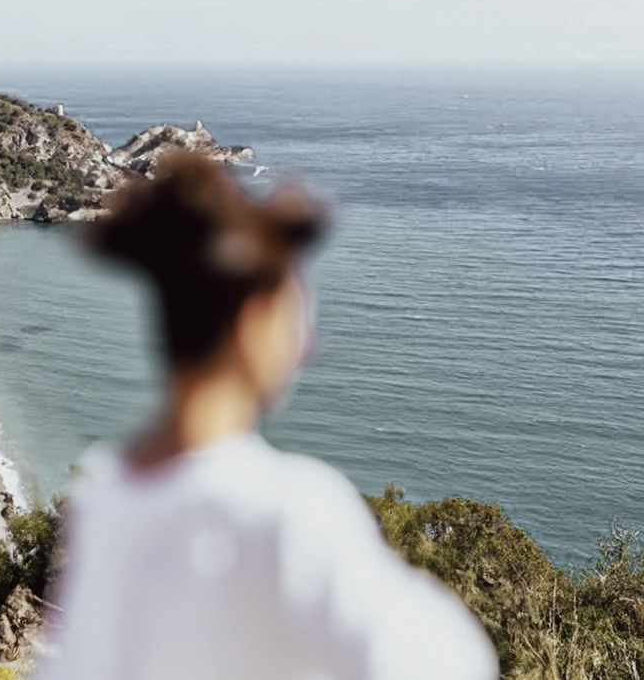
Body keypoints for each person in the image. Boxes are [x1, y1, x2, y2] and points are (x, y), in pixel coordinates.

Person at [35, 151, 498, 680]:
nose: (309, 346)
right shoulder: (288, 510)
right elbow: (450, 662)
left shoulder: (105, 493)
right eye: (295, 320)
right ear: (253, 321)